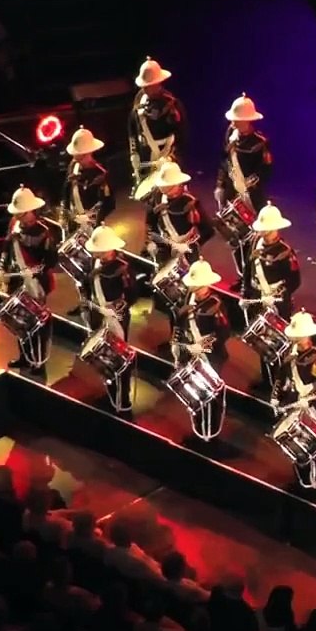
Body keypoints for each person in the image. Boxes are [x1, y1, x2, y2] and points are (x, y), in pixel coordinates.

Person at [0, 186, 58, 377]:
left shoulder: (45, 232)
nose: (19, 217)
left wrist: (36, 269)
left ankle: (38, 361)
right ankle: (24, 356)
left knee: (36, 324)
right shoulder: (14, 225)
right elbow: (7, 248)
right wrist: (1, 268)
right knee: (21, 322)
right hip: (18, 281)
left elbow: (51, 261)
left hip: (36, 283)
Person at [215, 93, 272, 283]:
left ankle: (253, 276)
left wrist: (249, 185)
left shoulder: (259, 142)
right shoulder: (230, 136)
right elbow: (224, 163)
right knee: (235, 237)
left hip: (251, 197)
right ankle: (242, 275)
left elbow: (266, 170)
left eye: (238, 120)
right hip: (232, 193)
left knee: (252, 238)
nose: (234, 123)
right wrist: (220, 185)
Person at [272, 311, 316, 488]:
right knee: (295, 444)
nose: (299, 339)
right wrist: (275, 397)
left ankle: (315, 476)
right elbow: (280, 378)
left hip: (312, 405)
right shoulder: (289, 357)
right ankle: (300, 474)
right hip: (293, 403)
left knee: (310, 443)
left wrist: (311, 400)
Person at [81, 226, 137, 416]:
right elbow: (87, 285)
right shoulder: (95, 263)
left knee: (119, 358)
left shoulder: (122, 268)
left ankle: (123, 401)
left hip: (117, 319)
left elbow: (131, 295)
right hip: (99, 314)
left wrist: (115, 309)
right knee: (105, 356)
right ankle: (112, 392)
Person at [173, 261, 230, 441]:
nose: (196, 289)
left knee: (210, 397)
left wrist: (204, 345)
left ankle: (211, 433)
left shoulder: (216, 305)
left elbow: (223, 333)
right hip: (192, 354)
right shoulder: (188, 301)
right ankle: (199, 429)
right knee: (196, 395)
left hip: (211, 357)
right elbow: (181, 325)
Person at [128, 57, 184, 194]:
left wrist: (172, 156)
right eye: (144, 85)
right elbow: (132, 132)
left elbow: (182, 135)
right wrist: (134, 156)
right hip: (147, 161)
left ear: (159, 83)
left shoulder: (172, 106)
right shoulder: (138, 107)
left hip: (169, 159)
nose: (145, 88)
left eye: (149, 84)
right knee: (151, 201)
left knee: (172, 196)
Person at [240, 202, 301, 325]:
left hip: (276, 301)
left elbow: (295, 281)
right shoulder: (254, 242)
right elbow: (248, 269)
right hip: (256, 297)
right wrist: (244, 294)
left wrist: (279, 295)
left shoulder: (285, 251)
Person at [146, 161, 203, 265]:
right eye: (163, 187)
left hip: (188, 244)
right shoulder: (158, 197)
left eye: (169, 187)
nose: (165, 190)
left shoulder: (188, 200)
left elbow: (203, 227)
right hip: (168, 243)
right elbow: (151, 220)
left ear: (179, 184)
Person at [63, 126, 113, 228]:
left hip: (94, 222)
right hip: (77, 220)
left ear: (89, 152)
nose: (76, 159)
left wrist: (93, 216)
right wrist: (68, 215)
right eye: (75, 155)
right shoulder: (73, 166)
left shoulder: (101, 172)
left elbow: (108, 203)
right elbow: (67, 194)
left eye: (80, 156)